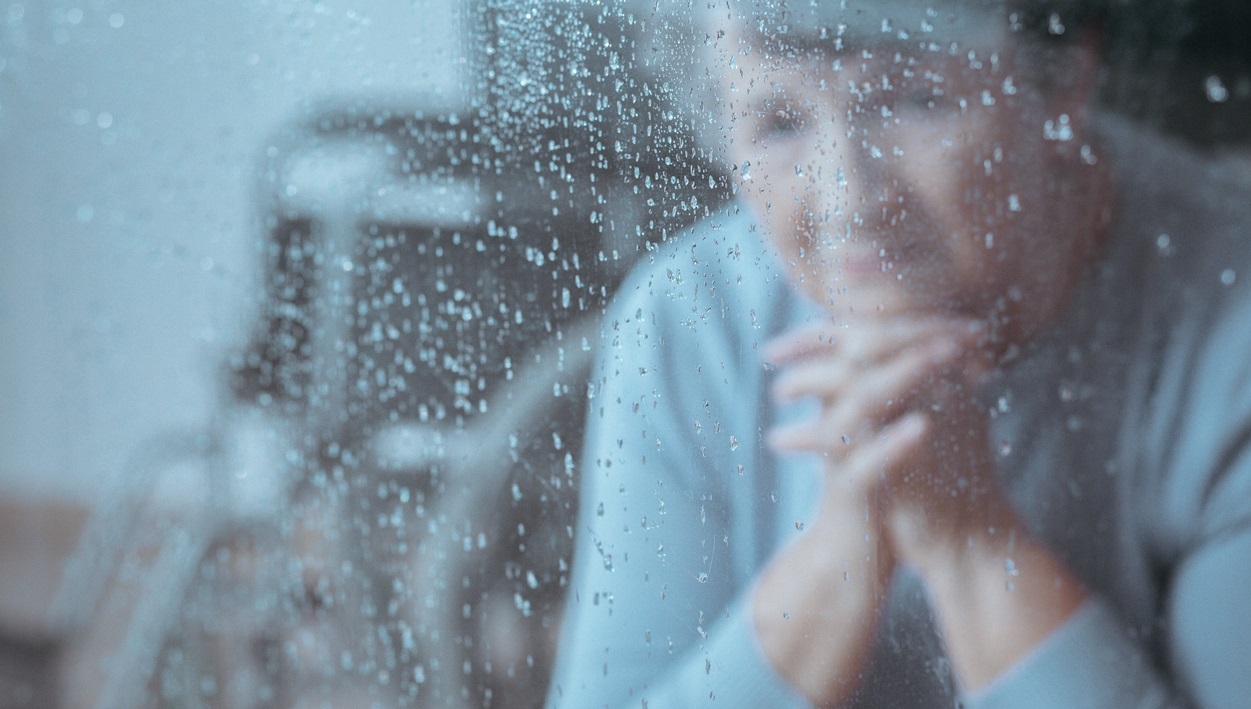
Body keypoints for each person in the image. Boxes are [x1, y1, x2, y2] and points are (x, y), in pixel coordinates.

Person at [546, 0, 1251, 706]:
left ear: (1063, 82)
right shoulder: (685, 323)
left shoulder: (1230, 310)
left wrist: (970, 537)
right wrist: (843, 541)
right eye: (778, 124)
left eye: (914, 100)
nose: (849, 198)